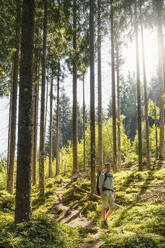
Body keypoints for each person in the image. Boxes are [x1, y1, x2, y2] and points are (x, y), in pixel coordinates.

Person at [99, 162, 115, 228]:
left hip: (111, 193)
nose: (108, 168)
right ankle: (103, 222)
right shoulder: (102, 175)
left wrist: (114, 194)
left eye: (109, 167)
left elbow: (112, 186)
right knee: (104, 207)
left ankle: (104, 219)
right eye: (107, 167)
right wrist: (102, 195)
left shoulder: (111, 176)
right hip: (105, 193)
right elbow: (100, 186)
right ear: (105, 168)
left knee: (112, 207)